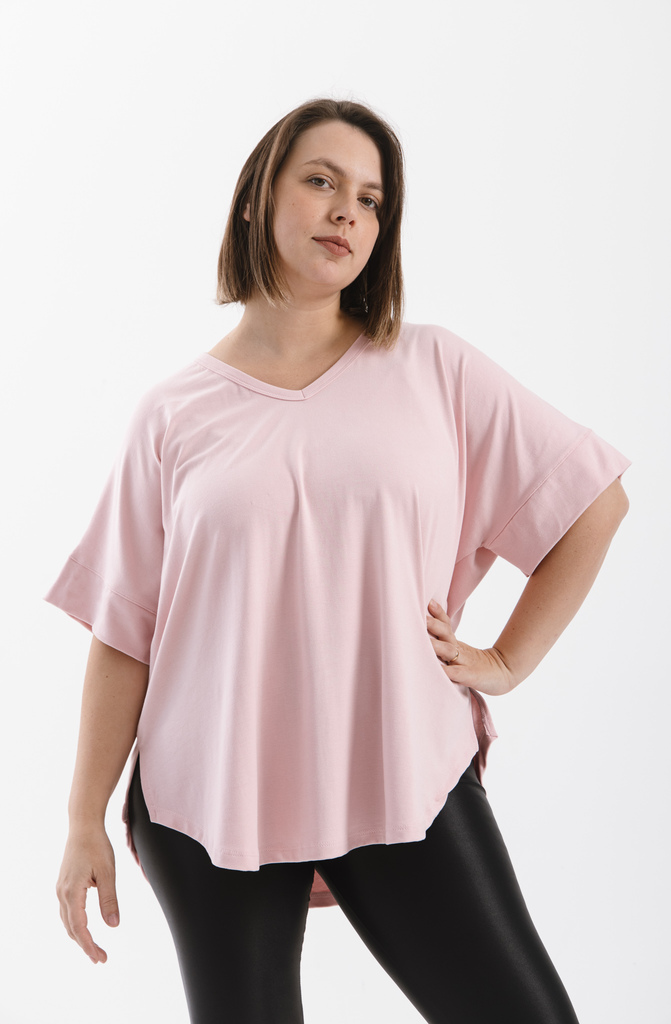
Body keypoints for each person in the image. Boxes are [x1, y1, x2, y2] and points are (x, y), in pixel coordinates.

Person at [46, 97, 630, 1024]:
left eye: (370, 199)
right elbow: (126, 631)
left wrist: (506, 659)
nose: (347, 212)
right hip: (211, 790)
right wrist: (85, 818)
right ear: (256, 198)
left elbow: (593, 503)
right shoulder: (172, 415)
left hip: (400, 765)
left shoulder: (434, 369)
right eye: (321, 181)